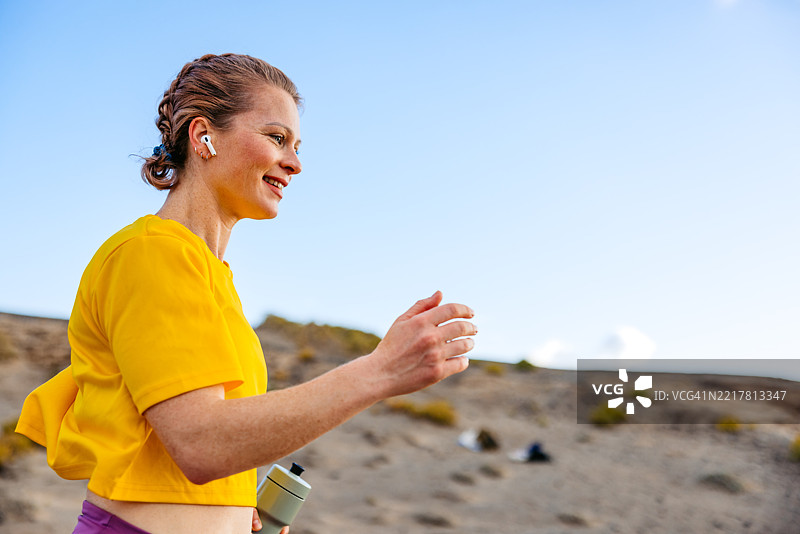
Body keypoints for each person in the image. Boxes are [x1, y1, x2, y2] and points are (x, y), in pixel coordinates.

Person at [15, 53, 476, 534]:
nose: (294, 163)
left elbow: (194, 449)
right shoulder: (150, 254)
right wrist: (379, 372)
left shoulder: (212, 275)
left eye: (297, 145)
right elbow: (200, 443)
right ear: (203, 136)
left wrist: (233, 512)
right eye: (277, 138)